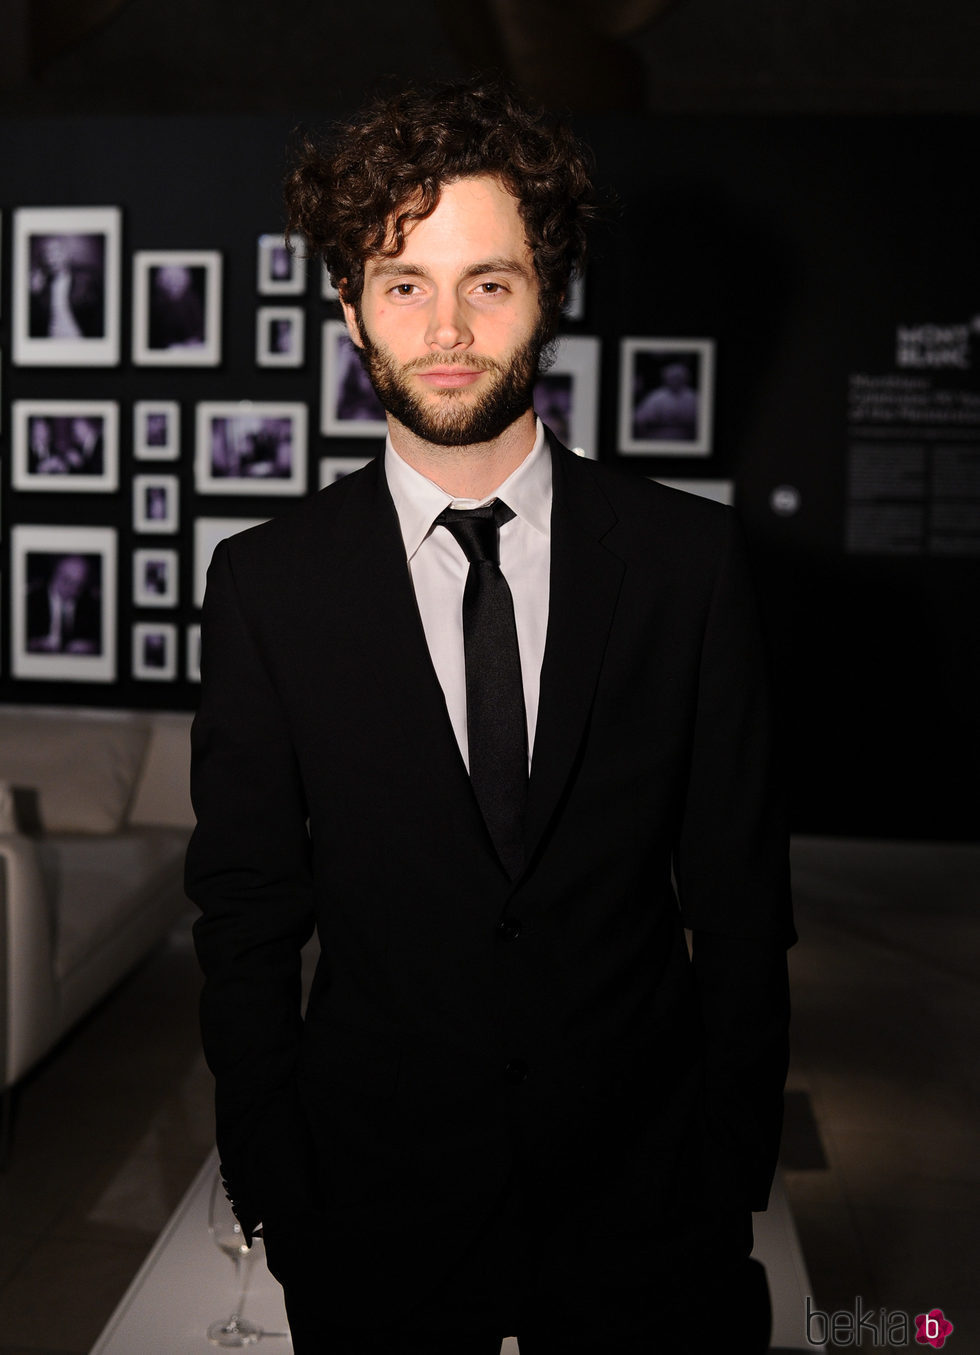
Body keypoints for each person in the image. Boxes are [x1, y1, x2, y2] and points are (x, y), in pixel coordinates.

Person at [186, 77, 793, 1355]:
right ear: (348, 307)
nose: (447, 326)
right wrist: (278, 1190)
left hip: (645, 1212)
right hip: (371, 1209)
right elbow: (245, 918)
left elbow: (737, 895)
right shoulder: (266, 583)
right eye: (403, 282)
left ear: (546, 297)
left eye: (489, 281)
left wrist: (727, 1166)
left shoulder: (686, 563)